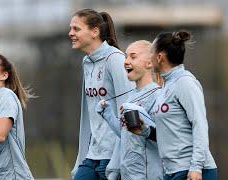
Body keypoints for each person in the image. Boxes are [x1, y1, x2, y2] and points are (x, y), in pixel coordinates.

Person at [129, 31, 217, 180]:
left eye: (151, 52)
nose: (149, 58)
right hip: (171, 171)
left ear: (159, 57)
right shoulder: (165, 87)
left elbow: (200, 124)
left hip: (192, 171)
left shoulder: (185, 82)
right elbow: (172, 133)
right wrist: (145, 131)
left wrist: (196, 168)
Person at [68, 8, 135, 179]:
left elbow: (128, 110)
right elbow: (87, 117)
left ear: (94, 32)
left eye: (76, 29)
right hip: (93, 154)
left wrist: (119, 159)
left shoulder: (116, 59)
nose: (70, 33)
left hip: (114, 155)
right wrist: (80, 158)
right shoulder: (86, 62)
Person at [96, 40, 163, 179]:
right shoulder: (131, 95)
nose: (126, 61)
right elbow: (127, 135)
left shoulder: (158, 95)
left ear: (149, 63)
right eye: (126, 56)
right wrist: (108, 115)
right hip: (128, 173)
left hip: (147, 175)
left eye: (133, 56)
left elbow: (163, 135)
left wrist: (136, 112)